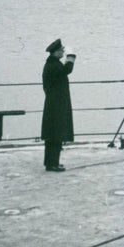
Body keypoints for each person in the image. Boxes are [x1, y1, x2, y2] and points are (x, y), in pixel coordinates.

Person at [40, 38, 76, 171]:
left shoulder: (51, 64)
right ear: (55, 52)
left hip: (54, 103)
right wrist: (71, 56)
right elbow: (67, 70)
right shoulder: (54, 65)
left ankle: (51, 162)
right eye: (61, 50)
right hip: (56, 105)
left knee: (53, 135)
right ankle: (52, 164)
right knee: (55, 135)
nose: (63, 52)